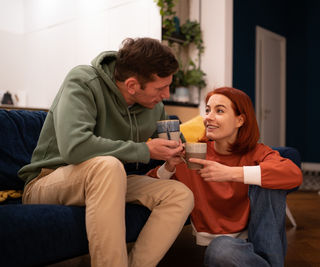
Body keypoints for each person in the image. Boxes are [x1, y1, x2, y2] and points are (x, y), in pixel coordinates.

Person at [18, 37, 194, 267]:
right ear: (132, 85)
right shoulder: (83, 81)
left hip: (108, 180)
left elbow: (174, 140)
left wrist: (178, 150)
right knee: (109, 166)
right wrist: (144, 150)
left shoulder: (154, 106)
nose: (166, 94)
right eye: (160, 88)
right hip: (49, 180)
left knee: (180, 195)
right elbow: (75, 148)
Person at [148, 87, 303, 267]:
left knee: (271, 180)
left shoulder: (256, 152)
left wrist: (230, 173)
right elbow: (150, 184)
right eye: (207, 110)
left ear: (240, 120)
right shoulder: (194, 152)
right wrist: (169, 166)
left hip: (258, 238)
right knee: (220, 249)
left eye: (219, 111)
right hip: (223, 247)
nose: (208, 117)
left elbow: (293, 175)